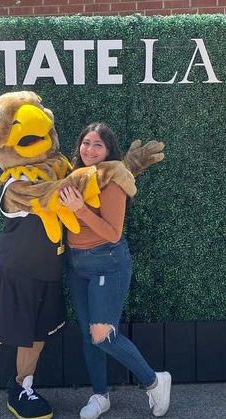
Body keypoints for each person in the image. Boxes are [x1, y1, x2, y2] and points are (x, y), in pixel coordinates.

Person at [59, 122, 171, 419]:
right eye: (86, 142)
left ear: (109, 151)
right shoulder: (74, 176)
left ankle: (154, 381)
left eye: (98, 145)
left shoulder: (114, 180)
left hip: (107, 262)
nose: (90, 149)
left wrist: (80, 209)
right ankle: (100, 395)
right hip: (76, 264)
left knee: (102, 336)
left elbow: (112, 233)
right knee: (88, 335)